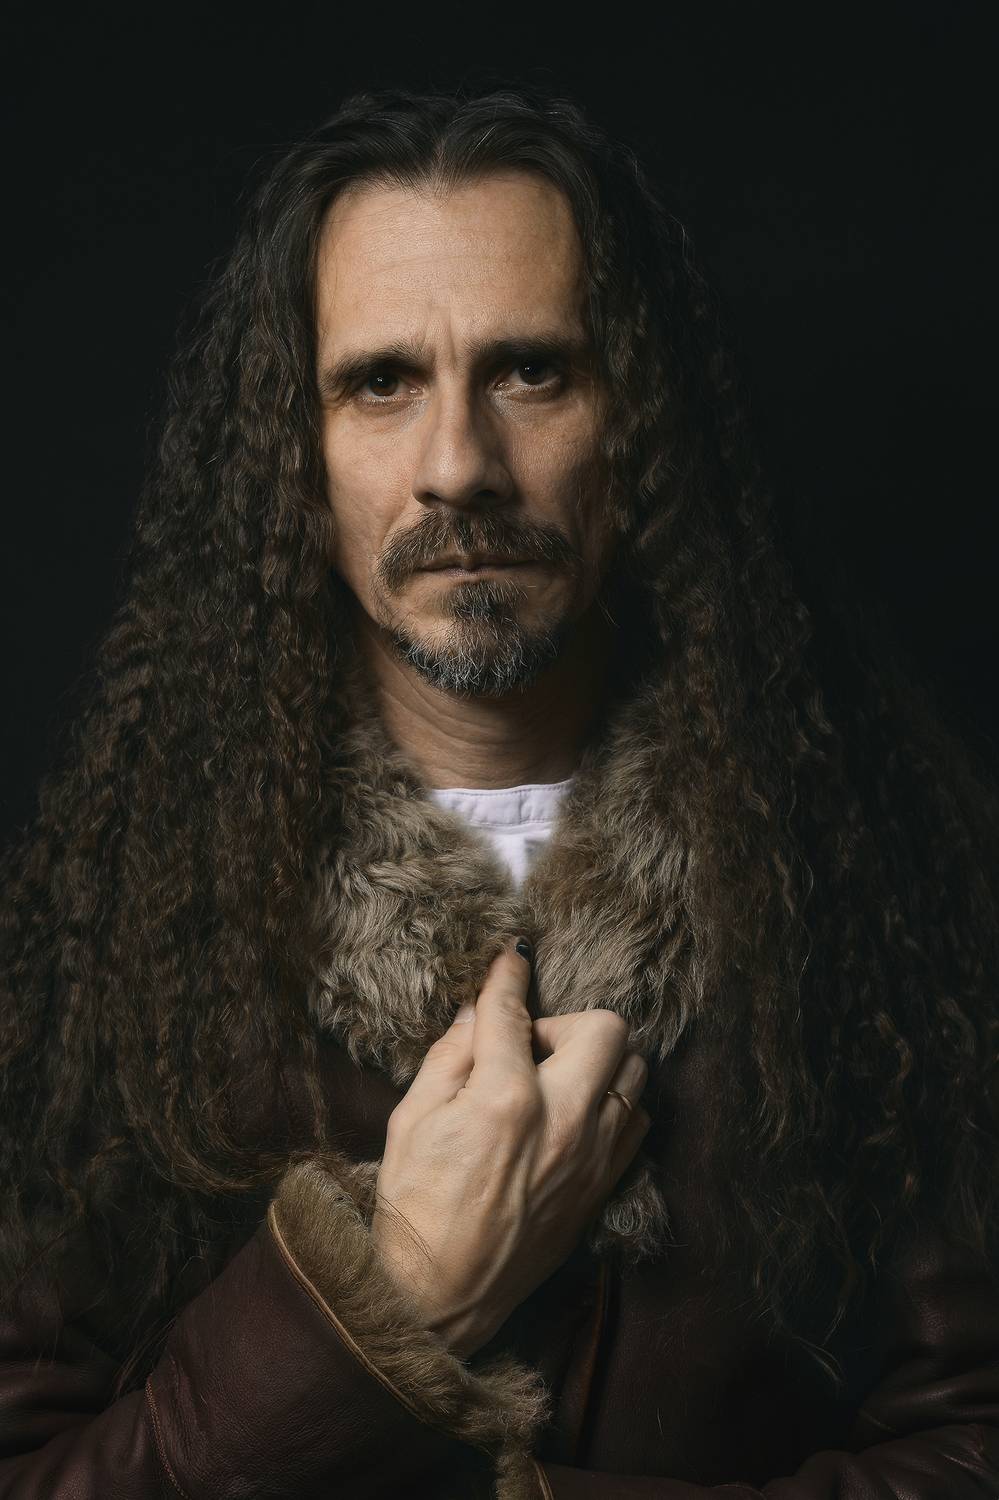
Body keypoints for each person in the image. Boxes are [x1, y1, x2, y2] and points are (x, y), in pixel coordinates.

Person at [0, 84, 997, 1498]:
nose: (458, 466)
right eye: (381, 383)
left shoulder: (871, 878)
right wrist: (395, 1291)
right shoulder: (113, 930)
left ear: (635, 423)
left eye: (531, 371)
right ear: (293, 453)